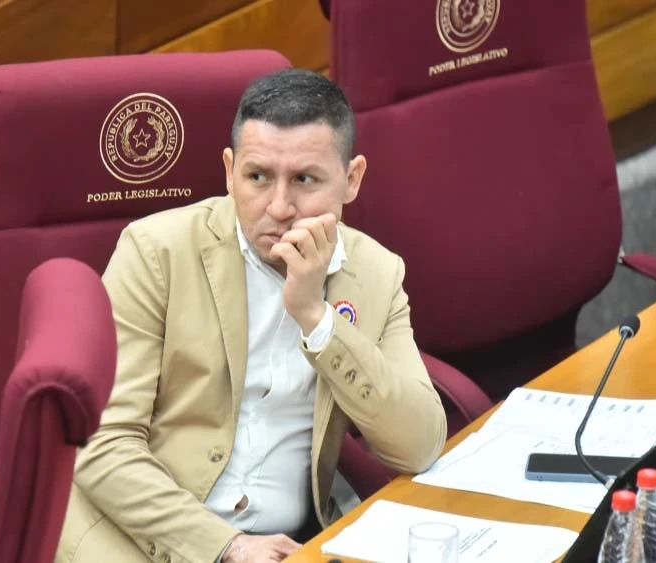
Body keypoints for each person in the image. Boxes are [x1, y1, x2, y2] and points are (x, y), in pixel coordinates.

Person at [56, 69, 447, 563]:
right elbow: (103, 444)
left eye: (304, 179)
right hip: (147, 539)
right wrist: (228, 546)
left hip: (291, 545)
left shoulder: (376, 273)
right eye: (258, 177)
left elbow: (419, 444)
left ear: (351, 180)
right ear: (229, 171)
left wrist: (317, 319)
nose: (279, 207)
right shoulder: (155, 253)